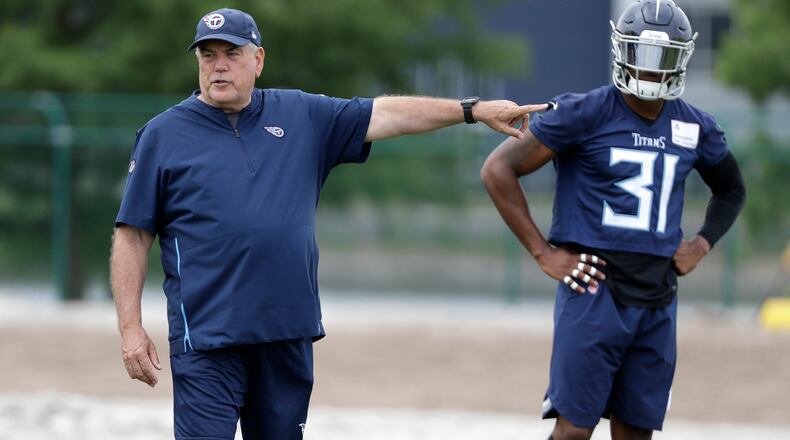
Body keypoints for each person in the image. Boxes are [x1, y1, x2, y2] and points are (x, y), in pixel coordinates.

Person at [109, 7, 545, 440]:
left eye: (232, 53)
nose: (219, 65)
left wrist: (472, 110)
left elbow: (387, 115)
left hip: (286, 333)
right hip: (207, 340)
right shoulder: (163, 135)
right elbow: (132, 234)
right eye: (208, 55)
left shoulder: (302, 114)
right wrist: (131, 329)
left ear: (258, 60)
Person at [480, 1, 746, 439]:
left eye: (662, 58)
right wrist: (543, 252)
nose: (650, 69)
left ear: (681, 58)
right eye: (641, 54)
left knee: (636, 432)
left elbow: (731, 188)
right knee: (573, 430)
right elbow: (497, 170)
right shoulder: (584, 112)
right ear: (622, 50)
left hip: (658, 294)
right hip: (594, 288)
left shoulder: (695, 126)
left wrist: (702, 243)